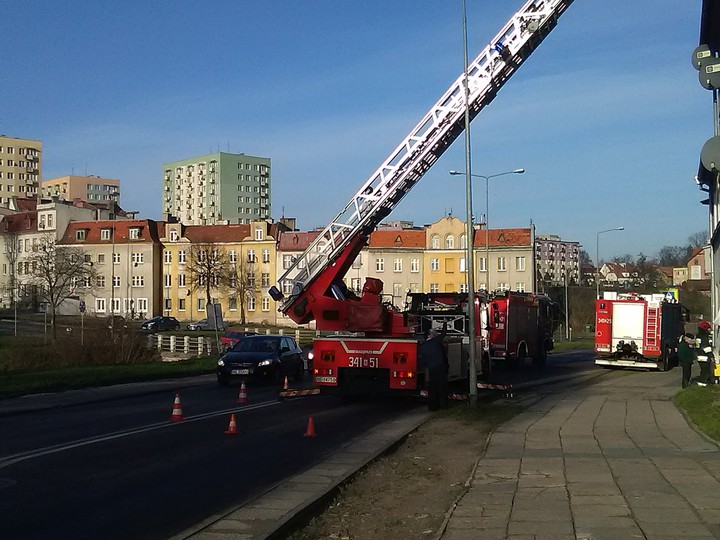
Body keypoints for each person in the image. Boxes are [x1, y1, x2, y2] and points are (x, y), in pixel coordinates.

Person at [420, 323, 448, 411]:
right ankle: (443, 406)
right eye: (432, 332)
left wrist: (427, 366)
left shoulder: (423, 346)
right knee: (442, 387)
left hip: (432, 369)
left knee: (433, 388)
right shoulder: (436, 341)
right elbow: (443, 333)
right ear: (429, 335)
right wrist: (445, 323)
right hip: (441, 367)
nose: (434, 333)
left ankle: (432, 407)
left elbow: (422, 360)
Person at [696, 321, 714, 386]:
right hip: (704, 356)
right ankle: (702, 384)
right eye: (708, 329)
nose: (709, 330)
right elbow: (706, 348)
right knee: (705, 371)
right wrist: (711, 356)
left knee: (703, 370)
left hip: (700, 355)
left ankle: (702, 383)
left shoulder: (698, 335)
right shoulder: (704, 336)